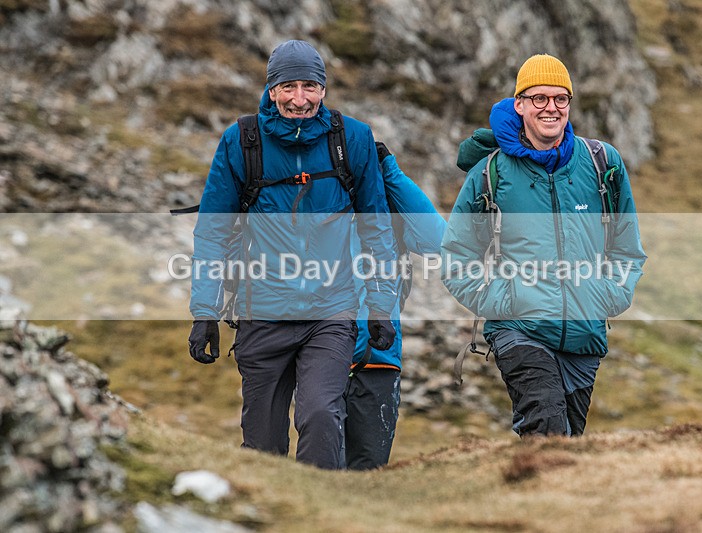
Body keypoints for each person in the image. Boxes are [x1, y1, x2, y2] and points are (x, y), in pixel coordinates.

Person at [186, 40, 398, 470]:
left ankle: (319, 513)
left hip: (331, 313)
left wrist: (380, 305)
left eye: (310, 86)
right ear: (271, 89)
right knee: (263, 444)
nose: (299, 99)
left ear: (324, 88)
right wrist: (204, 312)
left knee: (321, 415)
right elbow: (213, 231)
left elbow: (375, 228)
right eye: (288, 87)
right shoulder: (242, 140)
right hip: (261, 313)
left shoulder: (351, 139)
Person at [441, 54, 646, 437]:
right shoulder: (491, 171)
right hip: (519, 330)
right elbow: (456, 257)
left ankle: (530, 496)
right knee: (548, 432)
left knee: (565, 450)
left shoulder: (603, 163)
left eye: (560, 98)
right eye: (539, 98)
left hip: (584, 338)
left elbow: (627, 246)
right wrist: (504, 301)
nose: (551, 108)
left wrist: (609, 295)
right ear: (519, 105)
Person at [345, 142, 446, 470]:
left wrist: (392, 173)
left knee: (368, 470)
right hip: (318, 355)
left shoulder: (391, 212)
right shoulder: (319, 205)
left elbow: (440, 243)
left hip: (379, 358)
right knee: (321, 465)